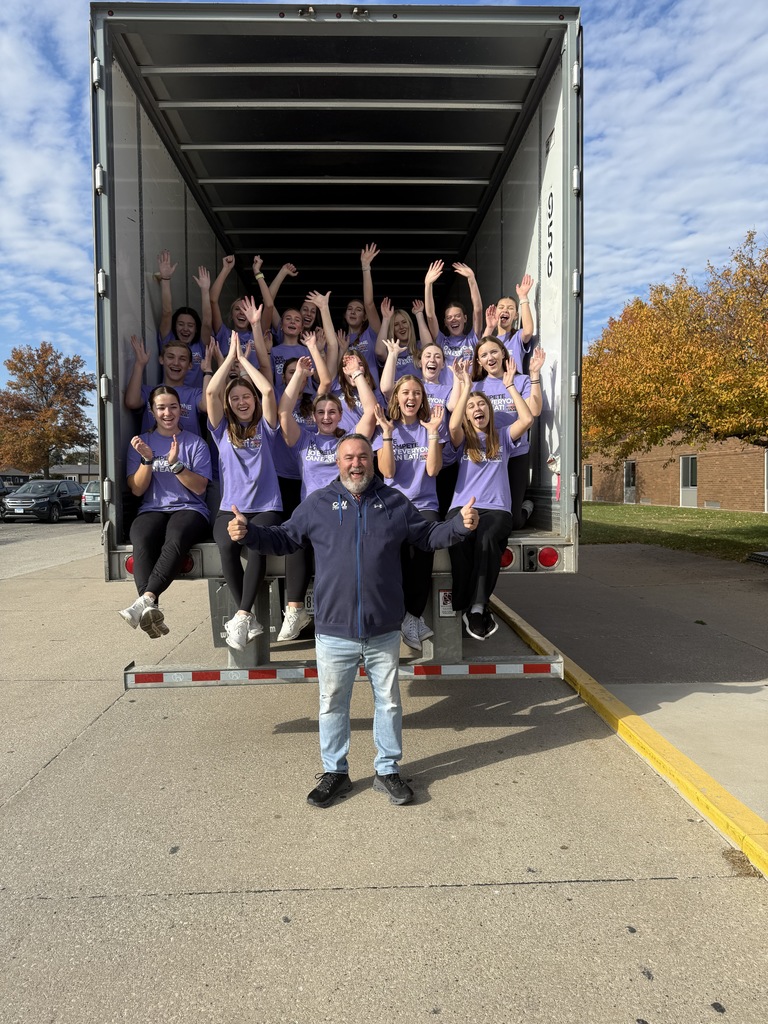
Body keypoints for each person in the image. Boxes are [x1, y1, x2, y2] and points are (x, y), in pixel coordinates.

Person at [228, 433, 479, 808]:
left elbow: (428, 536)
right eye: (348, 457)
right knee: (331, 704)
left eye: (363, 456)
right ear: (338, 462)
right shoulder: (318, 504)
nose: (356, 463)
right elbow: (284, 538)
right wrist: (249, 533)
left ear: (373, 461)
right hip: (334, 629)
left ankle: (388, 770)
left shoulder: (394, 503)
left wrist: (461, 525)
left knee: (389, 703)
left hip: (382, 628)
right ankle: (335, 773)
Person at [206, 330, 282, 650]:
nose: (241, 402)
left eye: (245, 397)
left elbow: (266, 388)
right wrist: (228, 362)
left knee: (256, 544)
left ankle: (240, 614)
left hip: (266, 506)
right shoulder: (221, 429)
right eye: (235, 398)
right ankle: (245, 617)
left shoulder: (267, 427)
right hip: (231, 506)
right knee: (226, 545)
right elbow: (211, 392)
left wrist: (242, 362)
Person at [447, 360, 533, 641]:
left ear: (489, 411)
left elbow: (528, 419)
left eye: (481, 405)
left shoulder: (502, 438)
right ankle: (464, 606)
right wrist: (466, 389)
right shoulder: (462, 440)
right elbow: (452, 424)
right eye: (471, 407)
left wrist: (510, 385)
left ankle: (476, 607)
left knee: (485, 541)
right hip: (463, 507)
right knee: (461, 539)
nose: (477, 409)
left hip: (497, 509)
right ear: (467, 415)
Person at [120, 385, 211, 638]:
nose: (167, 412)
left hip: (190, 508)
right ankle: (150, 610)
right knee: (141, 535)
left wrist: (176, 465)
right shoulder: (141, 443)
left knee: (177, 535)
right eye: (161, 407)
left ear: (181, 409)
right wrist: (147, 460)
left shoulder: (196, 443)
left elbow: (201, 488)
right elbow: (137, 490)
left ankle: (146, 599)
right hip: (153, 508)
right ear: (152, 411)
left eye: (173, 407)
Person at [374, 378, 447, 651]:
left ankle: (412, 617)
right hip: (394, 503)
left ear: (422, 399)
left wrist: (432, 433)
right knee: (396, 555)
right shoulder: (387, 428)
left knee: (424, 548)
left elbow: (433, 470)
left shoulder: (430, 428)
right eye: (406, 392)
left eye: (417, 393)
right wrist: (387, 433)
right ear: (397, 397)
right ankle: (402, 616)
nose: (411, 397)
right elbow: (388, 472)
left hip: (425, 504)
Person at [155, 249, 212, 387]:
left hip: (195, 402)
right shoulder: (168, 341)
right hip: (168, 399)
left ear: (196, 329)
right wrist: (166, 279)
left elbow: (207, 322)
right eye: (181, 324)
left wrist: (205, 291)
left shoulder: (200, 345)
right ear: (174, 326)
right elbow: (167, 311)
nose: (185, 329)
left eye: (190, 325)